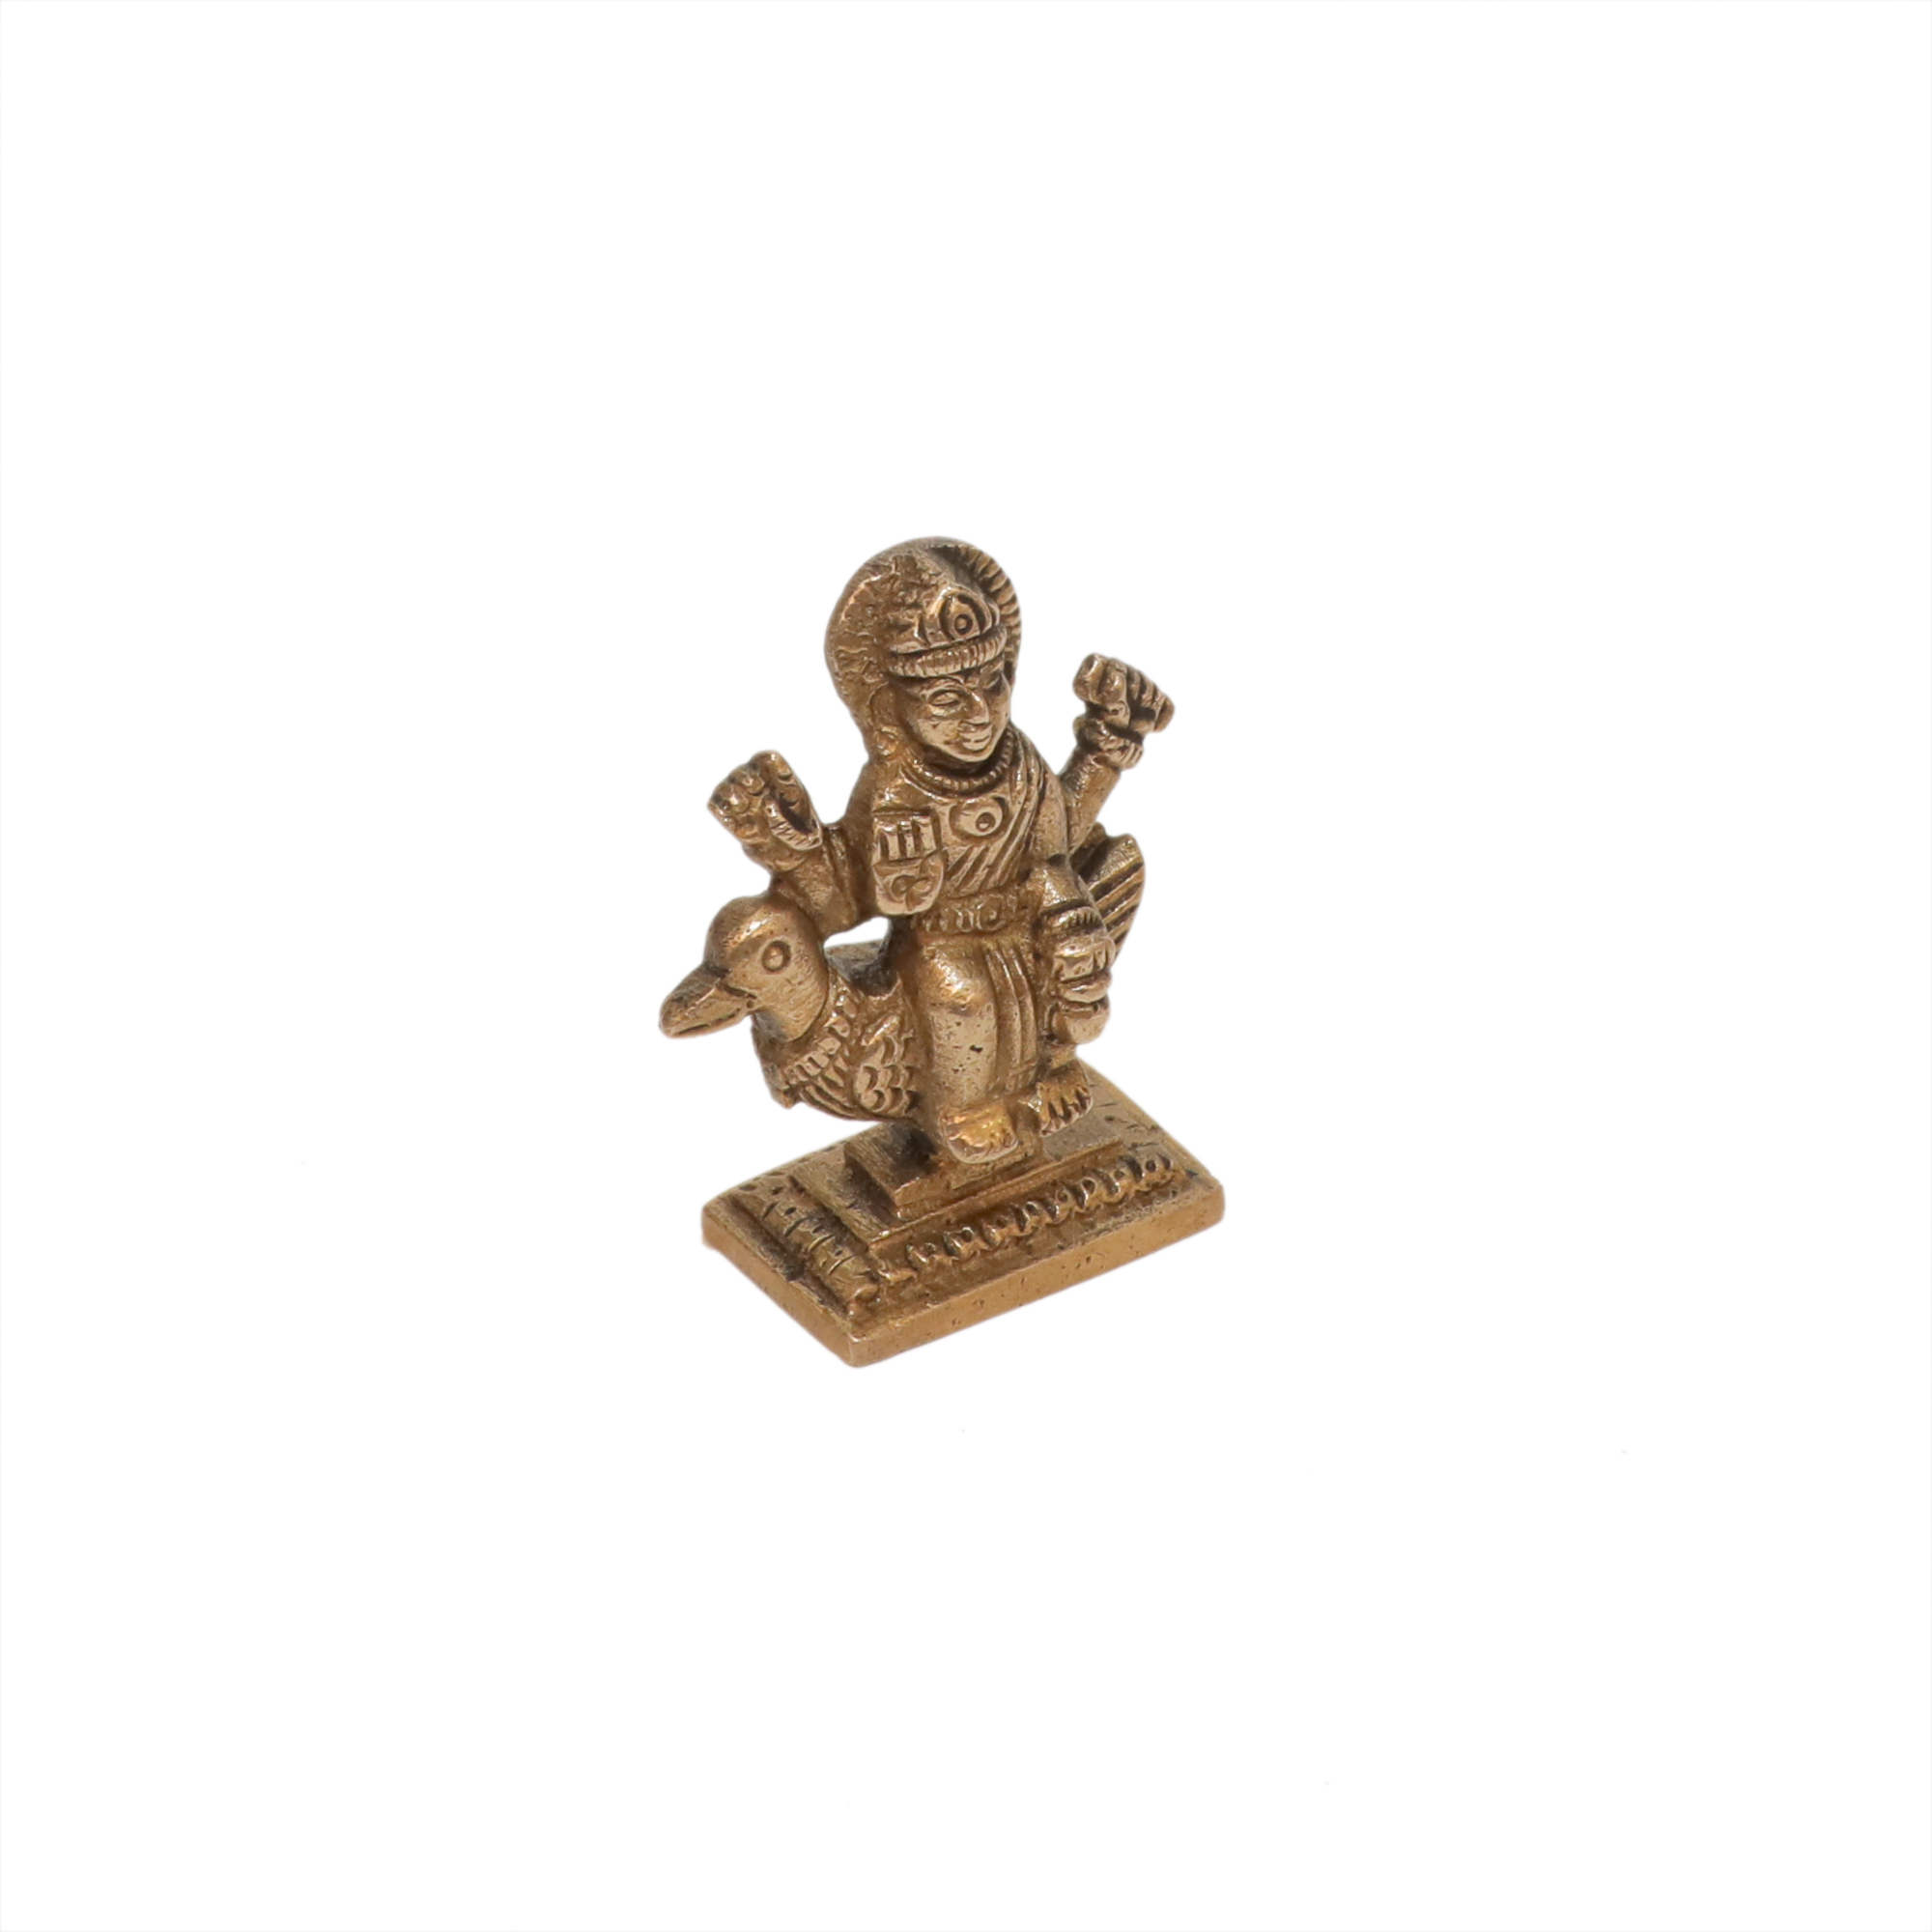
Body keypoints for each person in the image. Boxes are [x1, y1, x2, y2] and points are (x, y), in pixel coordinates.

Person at [707, 539, 1170, 1165]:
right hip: (942, 942)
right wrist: (790, 846)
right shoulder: (894, 791)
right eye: (947, 699)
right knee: (960, 999)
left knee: (1071, 975)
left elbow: (1057, 839)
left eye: (993, 684)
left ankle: (1051, 1067)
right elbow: (846, 897)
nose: (980, 715)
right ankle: (965, 1110)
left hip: (1028, 919)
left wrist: (1107, 743)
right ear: (891, 707)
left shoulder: (1021, 764)